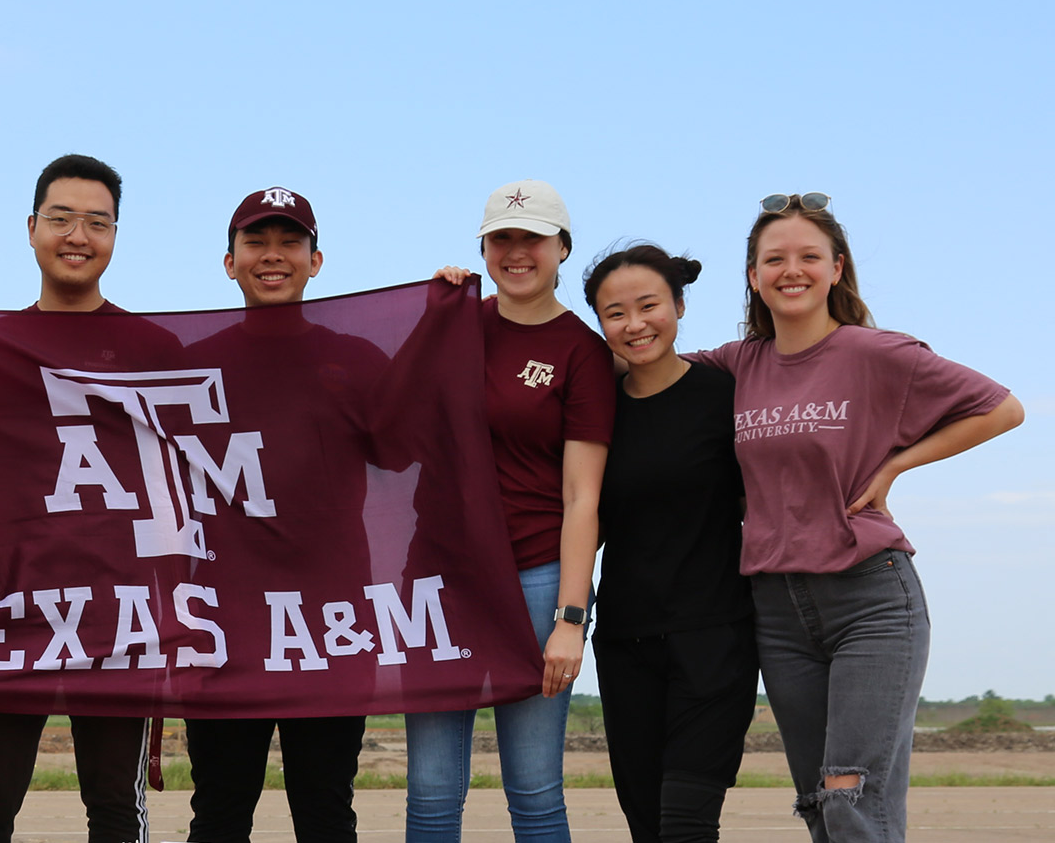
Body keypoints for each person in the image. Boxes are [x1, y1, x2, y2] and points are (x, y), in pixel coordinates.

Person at [687, 194, 1022, 843]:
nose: (792, 270)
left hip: (871, 599)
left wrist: (896, 464)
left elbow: (1002, 409)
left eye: (809, 256)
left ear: (836, 268)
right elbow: (634, 363)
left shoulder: (875, 354)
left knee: (850, 796)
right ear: (753, 276)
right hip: (776, 608)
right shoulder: (737, 365)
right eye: (773, 259)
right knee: (821, 805)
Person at [0, 153, 156, 843]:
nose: (77, 236)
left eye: (97, 222)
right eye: (61, 219)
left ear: (116, 235)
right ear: (32, 228)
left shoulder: (155, 349)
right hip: (11, 606)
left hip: (122, 614)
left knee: (116, 810)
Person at [419, 179, 614, 842]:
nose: (517, 252)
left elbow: (582, 497)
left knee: (533, 792)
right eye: (502, 238)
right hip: (441, 579)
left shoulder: (581, 351)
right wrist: (425, 308)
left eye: (533, 238)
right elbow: (388, 414)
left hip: (535, 579)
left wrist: (570, 618)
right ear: (484, 247)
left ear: (562, 248)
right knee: (432, 794)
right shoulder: (451, 326)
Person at [181, 187, 368, 843]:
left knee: (324, 807)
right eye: (256, 242)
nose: (273, 256)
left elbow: (413, 445)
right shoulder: (188, 366)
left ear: (317, 261)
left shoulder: (357, 359)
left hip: (331, 623)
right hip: (223, 623)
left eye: (290, 242)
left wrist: (443, 316)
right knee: (222, 808)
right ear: (228, 262)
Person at [582, 245, 757, 843]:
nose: (634, 325)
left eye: (649, 305)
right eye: (614, 313)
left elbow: (759, 503)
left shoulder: (725, 397)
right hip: (625, 639)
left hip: (715, 635)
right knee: (646, 823)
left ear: (679, 306)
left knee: (685, 821)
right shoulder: (594, 410)